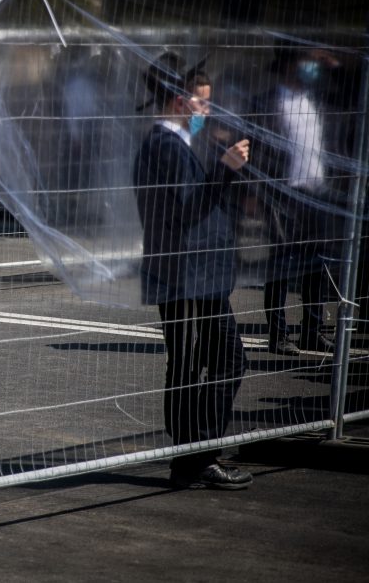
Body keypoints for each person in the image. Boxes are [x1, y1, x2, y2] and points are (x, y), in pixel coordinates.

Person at [132, 52, 254, 490]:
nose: (207, 112)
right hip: (184, 278)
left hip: (195, 275)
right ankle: (196, 456)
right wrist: (225, 171)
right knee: (197, 364)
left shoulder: (174, 144)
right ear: (181, 102)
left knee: (208, 361)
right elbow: (186, 211)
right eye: (202, 104)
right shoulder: (164, 146)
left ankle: (194, 455)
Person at [255, 48, 341, 356]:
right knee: (281, 267)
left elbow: (350, 96)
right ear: (289, 65)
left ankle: (312, 331)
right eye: (304, 62)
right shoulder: (267, 102)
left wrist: (335, 66)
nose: (310, 68)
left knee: (316, 266)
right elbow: (258, 151)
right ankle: (278, 334)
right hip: (284, 195)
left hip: (316, 194)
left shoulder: (314, 100)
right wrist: (261, 194)